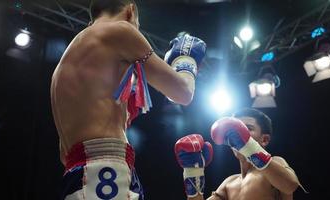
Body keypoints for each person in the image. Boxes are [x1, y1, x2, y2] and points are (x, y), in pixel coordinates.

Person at [50, 0, 206, 199]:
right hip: (105, 170)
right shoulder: (120, 31)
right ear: (130, 11)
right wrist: (186, 62)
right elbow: (183, 93)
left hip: (79, 173)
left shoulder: (72, 56)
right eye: (138, 24)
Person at [175, 108, 303, 200]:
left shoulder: (275, 165)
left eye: (248, 129)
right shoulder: (229, 183)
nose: (237, 135)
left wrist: (248, 147)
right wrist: (192, 172)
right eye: (232, 132)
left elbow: (290, 185)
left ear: (264, 139)